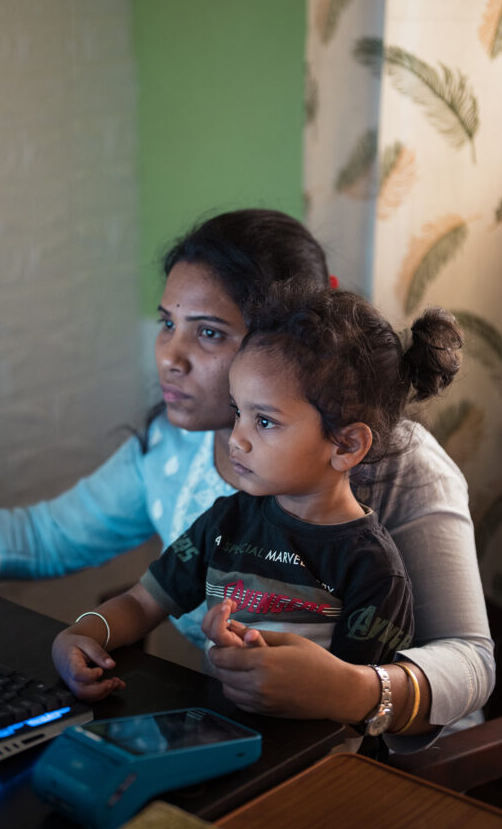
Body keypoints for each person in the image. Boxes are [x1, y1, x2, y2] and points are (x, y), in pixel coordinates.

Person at [0, 208, 495, 747]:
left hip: (401, 767)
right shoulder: (175, 448)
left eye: (209, 333)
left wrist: (355, 690)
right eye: (167, 323)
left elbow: (470, 660)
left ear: (283, 347)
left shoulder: (400, 467)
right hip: (255, 742)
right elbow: (45, 535)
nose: (170, 356)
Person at [52, 281, 456, 714]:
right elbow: (141, 601)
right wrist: (80, 635)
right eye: (238, 410)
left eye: (264, 421)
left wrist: (280, 673)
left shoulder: (372, 569)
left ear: (345, 445)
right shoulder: (226, 522)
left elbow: (353, 709)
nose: (237, 439)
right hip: (217, 733)